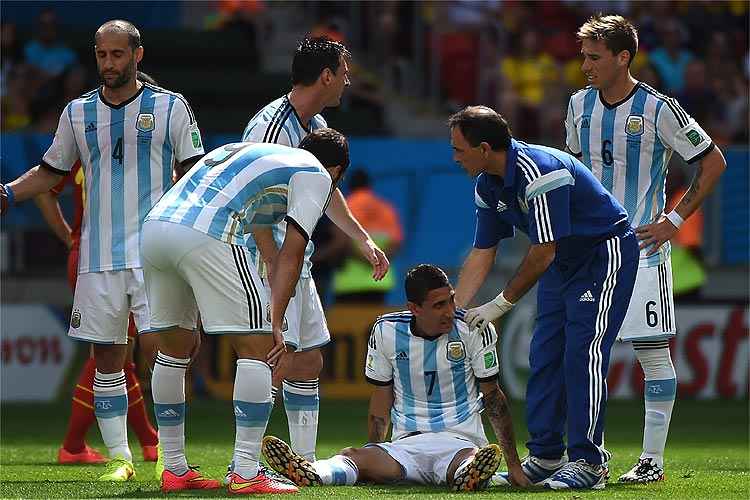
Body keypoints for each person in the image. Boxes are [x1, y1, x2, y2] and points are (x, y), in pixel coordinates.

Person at [0, 20, 205, 482]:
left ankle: (174, 463)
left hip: (155, 253)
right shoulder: (77, 113)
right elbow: (51, 172)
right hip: (97, 256)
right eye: (101, 55)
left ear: (138, 55)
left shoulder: (171, 108)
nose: (108, 64)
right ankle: (121, 459)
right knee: (108, 358)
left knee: (169, 353)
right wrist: (9, 194)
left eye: (117, 54)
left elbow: (195, 173)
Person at [141, 128, 351, 495]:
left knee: (173, 351)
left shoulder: (254, 154)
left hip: (155, 228)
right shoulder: (317, 174)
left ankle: (174, 469)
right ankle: (246, 471)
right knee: (259, 349)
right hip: (208, 232)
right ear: (337, 174)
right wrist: (275, 317)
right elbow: (294, 250)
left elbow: (259, 224)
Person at [565, 15, 727, 483]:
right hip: (589, 253)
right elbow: (575, 172)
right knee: (575, 354)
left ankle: (651, 461)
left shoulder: (659, 108)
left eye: (594, 57)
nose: (585, 66)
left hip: (641, 251)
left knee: (652, 355)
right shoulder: (578, 106)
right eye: (583, 56)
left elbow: (713, 161)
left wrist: (673, 221)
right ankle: (580, 455)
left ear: (623, 58)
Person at [449, 106, 638, 490]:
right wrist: (458, 311)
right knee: (545, 355)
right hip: (562, 262)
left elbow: (542, 252)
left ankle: (589, 462)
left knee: (581, 354)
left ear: (485, 148)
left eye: (459, 149)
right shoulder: (487, 184)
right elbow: (483, 251)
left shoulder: (540, 172)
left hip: (602, 254)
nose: (454, 157)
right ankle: (547, 456)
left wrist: (499, 305)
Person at [240, 35, 388, 467]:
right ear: (326, 75)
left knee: (307, 362)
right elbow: (253, 203)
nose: (347, 82)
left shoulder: (318, 128)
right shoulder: (269, 129)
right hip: (263, 259)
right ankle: (243, 464)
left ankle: (302, 464)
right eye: (343, 74)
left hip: (294, 261)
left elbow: (324, 191)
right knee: (270, 359)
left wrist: (362, 238)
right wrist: (271, 265)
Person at [262, 264, 529, 491]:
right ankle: (313, 473)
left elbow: (493, 398)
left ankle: (471, 474)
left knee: (470, 461)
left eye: (451, 299)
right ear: (414, 308)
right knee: (354, 456)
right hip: (406, 448)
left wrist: (514, 467)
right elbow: (380, 401)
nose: (449, 310)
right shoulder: (387, 331)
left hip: (459, 444)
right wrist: (375, 451)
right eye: (439, 305)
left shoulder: (473, 329)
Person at [35, 71, 164, 466]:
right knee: (110, 354)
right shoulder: (96, 142)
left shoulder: (105, 145)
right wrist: (70, 235)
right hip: (103, 254)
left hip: (102, 252)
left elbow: (45, 191)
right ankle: (77, 444)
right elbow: (42, 185)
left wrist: (68, 236)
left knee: (118, 357)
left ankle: (145, 440)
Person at [333, 169, 403, 304]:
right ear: (369, 185)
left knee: (346, 324)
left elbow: (341, 242)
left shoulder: (345, 205)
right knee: (374, 323)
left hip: (348, 282)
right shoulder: (385, 208)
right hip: (380, 281)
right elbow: (396, 243)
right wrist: (376, 261)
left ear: (349, 185)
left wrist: (366, 257)